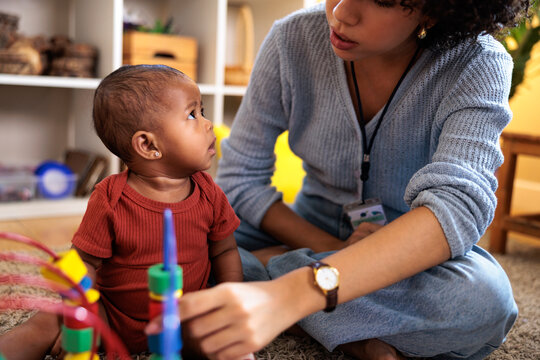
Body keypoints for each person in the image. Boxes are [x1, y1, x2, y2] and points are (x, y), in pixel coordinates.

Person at [145, 1, 530, 359]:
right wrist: (331, 248)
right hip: (301, 227)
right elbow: (240, 179)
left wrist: (289, 295)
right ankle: (357, 335)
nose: (342, 12)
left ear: (432, 10)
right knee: (162, 244)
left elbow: (457, 210)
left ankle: (280, 294)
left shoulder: (477, 63)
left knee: (485, 301)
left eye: (379, 0)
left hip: (407, 244)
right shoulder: (292, 39)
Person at [0, 65, 244, 359]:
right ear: (148, 145)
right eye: (193, 115)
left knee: (220, 338)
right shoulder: (109, 198)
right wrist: (79, 312)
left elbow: (225, 252)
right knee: (48, 319)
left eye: (202, 111)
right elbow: (85, 263)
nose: (208, 124)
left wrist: (232, 300)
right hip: (112, 316)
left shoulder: (209, 191)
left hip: (181, 318)